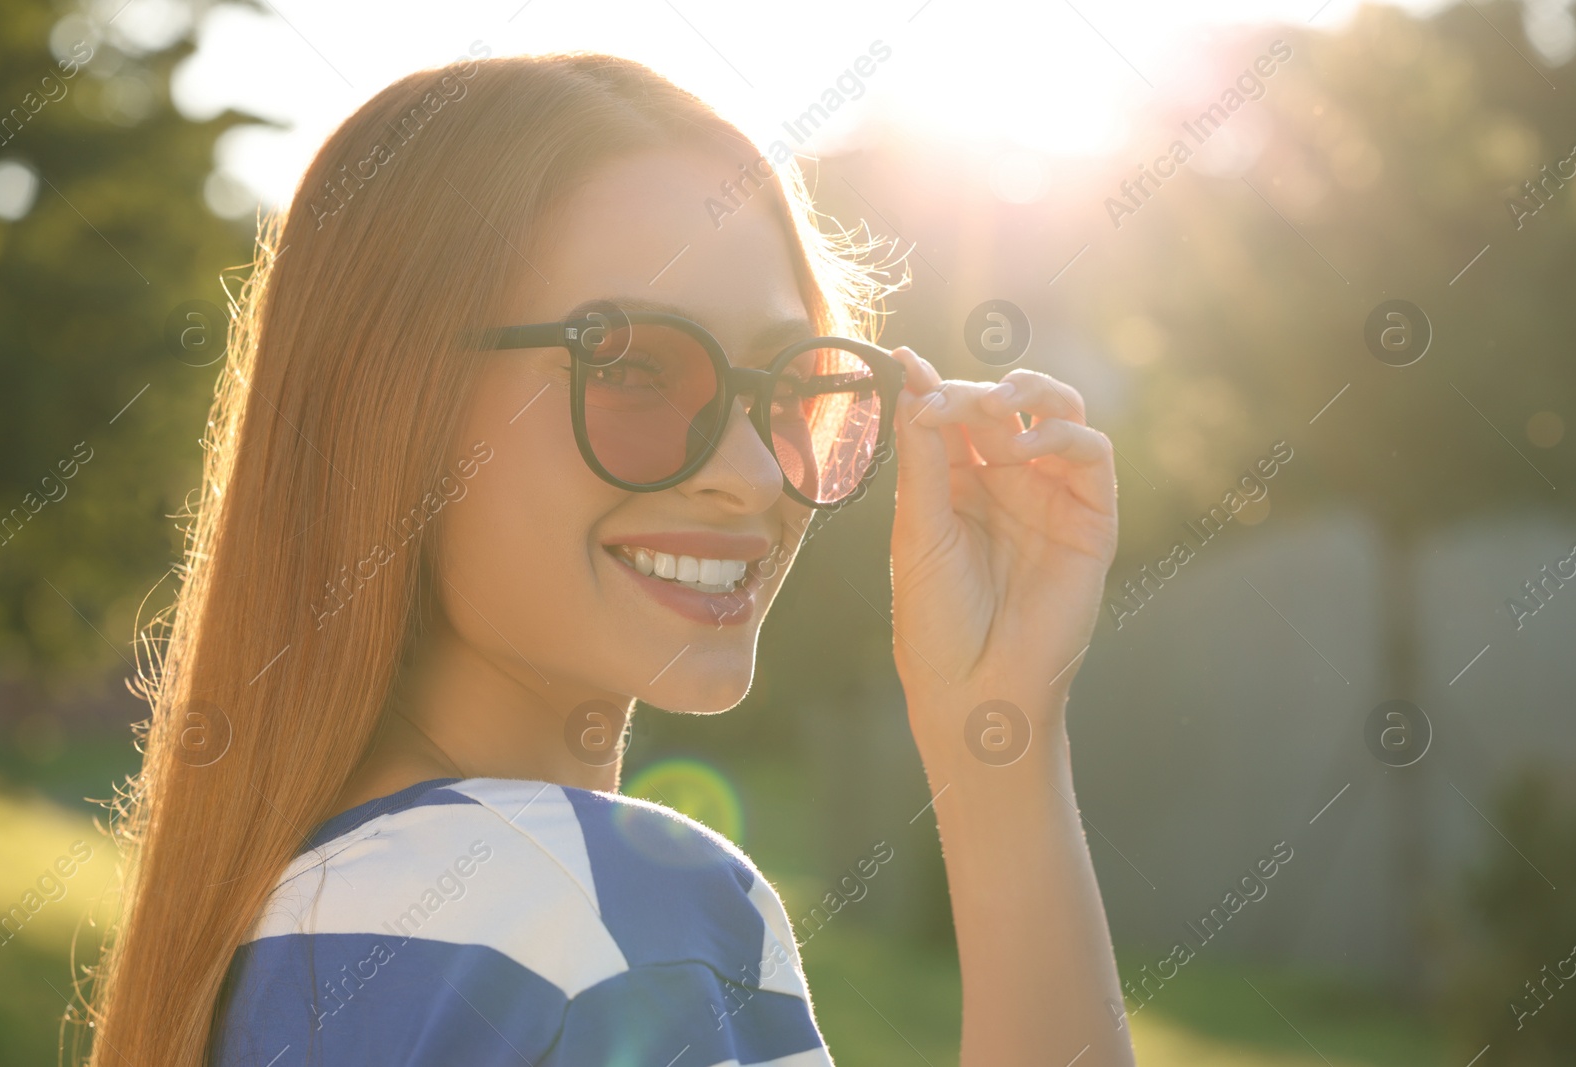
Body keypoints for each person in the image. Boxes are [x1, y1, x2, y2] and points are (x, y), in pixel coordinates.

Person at [81, 52, 1133, 1067]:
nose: (752, 471)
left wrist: (995, 723)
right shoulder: (613, 918)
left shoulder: (289, 928)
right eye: (630, 365)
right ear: (389, 405)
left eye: (784, 383)